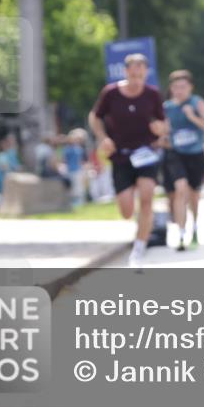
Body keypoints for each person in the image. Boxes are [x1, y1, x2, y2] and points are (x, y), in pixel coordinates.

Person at [88, 53, 168, 269]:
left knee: (147, 198)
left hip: (146, 154)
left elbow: (163, 124)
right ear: (125, 72)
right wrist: (103, 137)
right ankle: (136, 221)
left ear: (146, 73)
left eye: (140, 73)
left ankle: (138, 250)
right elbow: (95, 116)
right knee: (126, 211)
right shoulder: (111, 93)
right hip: (121, 155)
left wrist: (160, 130)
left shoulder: (152, 95)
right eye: (132, 72)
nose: (136, 77)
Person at [163, 70, 204, 250]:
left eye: (183, 87)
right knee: (180, 189)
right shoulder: (166, 107)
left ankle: (195, 227)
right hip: (176, 154)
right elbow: (162, 129)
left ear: (190, 87)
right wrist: (163, 135)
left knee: (193, 195)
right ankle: (181, 234)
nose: (179, 90)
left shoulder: (197, 103)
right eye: (175, 87)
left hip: (196, 154)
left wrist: (192, 116)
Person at [63, 129, 89, 206]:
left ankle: (80, 201)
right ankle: (76, 201)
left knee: (79, 187)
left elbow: (81, 160)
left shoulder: (77, 149)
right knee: (74, 187)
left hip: (77, 169)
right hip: (72, 170)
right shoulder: (69, 149)